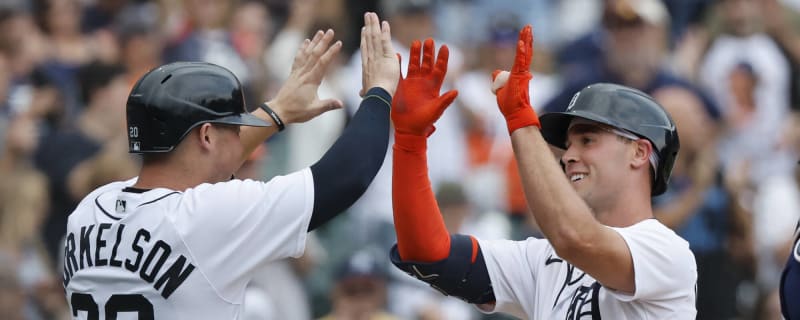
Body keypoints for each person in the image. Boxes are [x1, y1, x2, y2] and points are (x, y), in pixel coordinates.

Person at [62, 12, 399, 319]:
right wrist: (379, 92)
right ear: (207, 135)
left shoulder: (89, 211)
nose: (242, 134)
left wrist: (278, 110)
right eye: (234, 127)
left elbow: (200, 167)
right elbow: (348, 174)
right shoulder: (205, 216)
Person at [388, 26, 697, 318]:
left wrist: (520, 118)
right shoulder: (544, 258)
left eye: (588, 140)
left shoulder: (666, 252)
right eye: (568, 145)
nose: (569, 156)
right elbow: (428, 254)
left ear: (640, 153)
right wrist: (410, 144)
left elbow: (575, 238)